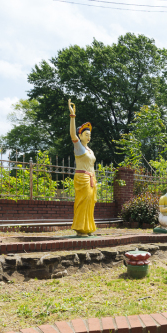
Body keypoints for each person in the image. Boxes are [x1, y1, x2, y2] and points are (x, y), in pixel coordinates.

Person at [68, 99, 97, 236]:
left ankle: (88, 227)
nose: (88, 137)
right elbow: (72, 134)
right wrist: (72, 116)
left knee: (90, 204)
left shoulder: (90, 150)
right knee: (82, 203)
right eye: (86, 134)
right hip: (83, 178)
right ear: (81, 136)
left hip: (91, 179)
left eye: (90, 135)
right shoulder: (79, 147)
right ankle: (80, 228)